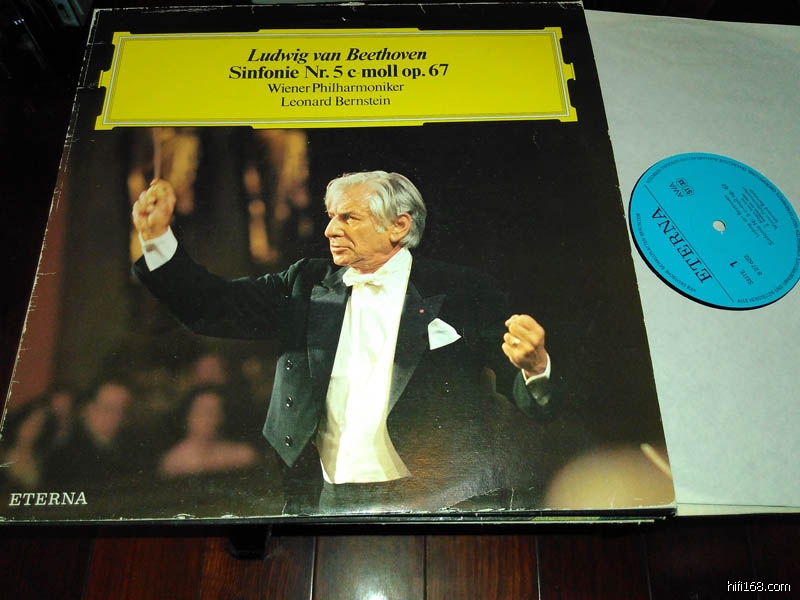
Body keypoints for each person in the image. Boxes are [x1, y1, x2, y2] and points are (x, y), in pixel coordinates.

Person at [132, 171, 554, 513]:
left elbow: (525, 392)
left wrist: (535, 368)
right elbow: (214, 305)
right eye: (331, 217)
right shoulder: (304, 284)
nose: (331, 229)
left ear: (399, 225)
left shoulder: (464, 290)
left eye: (349, 218)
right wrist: (156, 240)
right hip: (325, 497)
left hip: (436, 495)